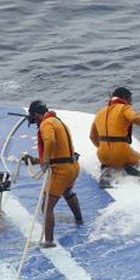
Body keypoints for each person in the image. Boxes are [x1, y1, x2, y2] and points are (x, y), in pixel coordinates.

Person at [23, 100, 83, 248]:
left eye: (34, 117)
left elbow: (50, 141)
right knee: (67, 192)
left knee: (46, 206)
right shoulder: (57, 121)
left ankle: (48, 241)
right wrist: (37, 161)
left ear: (36, 114)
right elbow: (60, 152)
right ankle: (79, 220)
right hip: (73, 166)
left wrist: (45, 162)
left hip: (61, 171)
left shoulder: (46, 124)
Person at [89, 87, 140, 181]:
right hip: (122, 153)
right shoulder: (124, 108)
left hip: (102, 155)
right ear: (123, 98)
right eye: (130, 100)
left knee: (111, 160)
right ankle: (130, 169)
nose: (131, 103)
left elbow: (92, 136)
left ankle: (107, 170)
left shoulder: (100, 113)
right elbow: (135, 118)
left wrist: (103, 148)